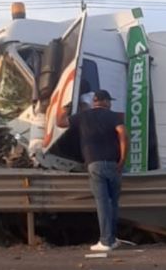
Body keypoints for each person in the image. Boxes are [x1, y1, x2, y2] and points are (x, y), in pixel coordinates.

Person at [53, 89, 128, 252]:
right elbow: (123, 134)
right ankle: (112, 239)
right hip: (114, 165)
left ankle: (105, 241)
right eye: (110, 101)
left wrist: (66, 107)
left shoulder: (83, 116)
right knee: (113, 203)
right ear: (106, 101)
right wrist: (122, 159)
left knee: (102, 204)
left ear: (95, 101)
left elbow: (59, 122)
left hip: (94, 164)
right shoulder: (114, 116)